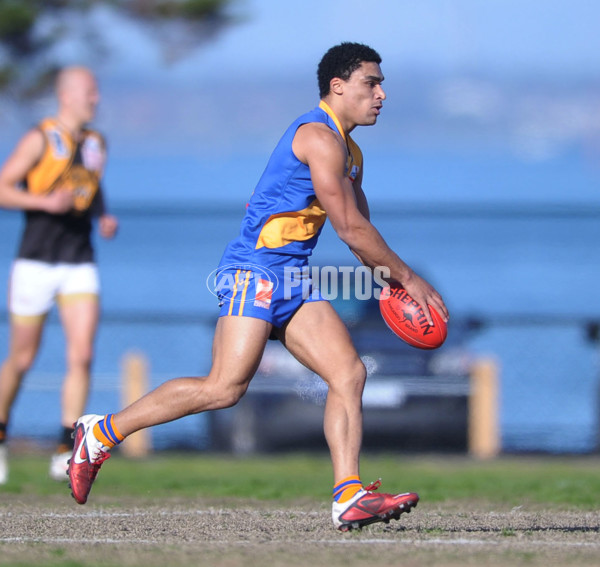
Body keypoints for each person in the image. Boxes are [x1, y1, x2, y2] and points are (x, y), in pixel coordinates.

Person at [67, 43, 448, 531]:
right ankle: (101, 432)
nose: (381, 94)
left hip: (293, 275)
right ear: (338, 87)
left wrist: (389, 284)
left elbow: (359, 237)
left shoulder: (350, 154)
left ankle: (348, 496)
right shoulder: (317, 137)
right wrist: (409, 278)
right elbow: (351, 228)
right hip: (255, 271)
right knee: (225, 388)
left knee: (348, 373)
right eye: (371, 83)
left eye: (380, 84)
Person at [0, 66, 118, 485]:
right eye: (91, 91)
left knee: (82, 354)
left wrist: (103, 216)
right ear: (67, 95)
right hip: (35, 261)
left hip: (79, 262)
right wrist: (44, 203)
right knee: (23, 357)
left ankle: (65, 447)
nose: (96, 99)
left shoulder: (96, 143)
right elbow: (3, 186)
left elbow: (92, 186)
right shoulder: (40, 138)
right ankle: (1, 431)